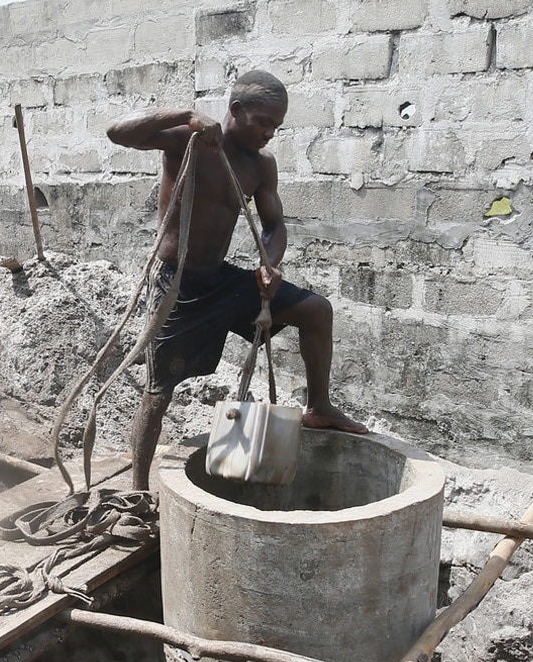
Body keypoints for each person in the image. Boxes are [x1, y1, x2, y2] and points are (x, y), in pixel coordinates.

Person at [106, 69, 367, 490]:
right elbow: (117, 132)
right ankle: (137, 490)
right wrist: (188, 113)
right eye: (263, 123)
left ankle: (319, 406)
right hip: (179, 285)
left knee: (317, 310)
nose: (269, 133)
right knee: (158, 391)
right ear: (236, 110)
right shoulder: (186, 141)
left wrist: (270, 262)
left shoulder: (261, 165)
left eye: (276, 126)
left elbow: (275, 226)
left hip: (222, 281)